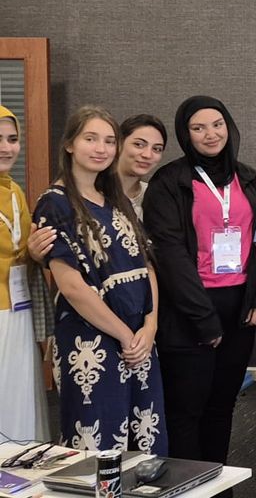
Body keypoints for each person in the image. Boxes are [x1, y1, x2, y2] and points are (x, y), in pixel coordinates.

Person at [34, 106, 167, 452]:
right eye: (90, 139)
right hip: (91, 339)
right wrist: (124, 335)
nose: (101, 148)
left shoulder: (116, 199)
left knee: (145, 443)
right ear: (69, 144)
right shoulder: (54, 203)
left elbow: (147, 266)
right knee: (99, 440)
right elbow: (72, 287)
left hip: (139, 338)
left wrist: (150, 327)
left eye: (109, 141)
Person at [145, 96, 256, 464]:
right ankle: (187, 486)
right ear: (186, 134)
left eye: (217, 124)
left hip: (240, 309)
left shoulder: (249, 179)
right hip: (188, 311)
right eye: (198, 128)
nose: (210, 134)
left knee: (222, 405)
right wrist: (203, 318)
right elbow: (170, 256)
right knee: (186, 410)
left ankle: (217, 483)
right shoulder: (169, 182)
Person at [0, 106, 56, 443]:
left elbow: (22, 249)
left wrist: (34, 254)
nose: (6, 148)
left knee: (19, 396)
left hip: (19, 309)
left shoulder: (14, 191)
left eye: (12, 139)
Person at [116, 114, 167, 219]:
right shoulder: (92, 193)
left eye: (157, 149)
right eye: (139, 144)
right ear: (119, 143)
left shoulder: (157, 197)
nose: (147, 155)